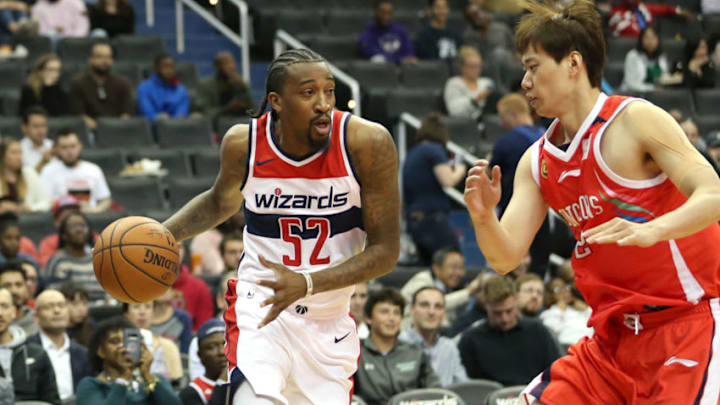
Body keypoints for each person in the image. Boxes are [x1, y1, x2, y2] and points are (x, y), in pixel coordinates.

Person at [462, 1, 720, 403]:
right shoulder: (538, 160)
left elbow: (713, 193)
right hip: (612, 339)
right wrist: (482, 217)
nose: (524, 82)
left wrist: (651, 229)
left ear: (573, 63)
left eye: (533, 67)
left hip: (689, 322)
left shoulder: (634, 120)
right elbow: (504, 257)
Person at [162, 48, 399, 405]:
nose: (323, 103)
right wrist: (161, 235)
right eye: (308, 93)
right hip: (261, 309)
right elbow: (218, 202)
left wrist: (306, 284)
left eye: (329, 91)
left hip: (328, 322)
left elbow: (386, 252)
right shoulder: (245, 143)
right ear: (276, 101)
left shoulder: (367, 143)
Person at [458, 275, 560, 386]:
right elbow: (469, 388)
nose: (504, 319)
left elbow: (556, 375)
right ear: (486, 306)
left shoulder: (538, 332)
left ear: (516, 301)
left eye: (509, 311)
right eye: (497, 313)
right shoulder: (471, 340)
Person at [353, 288, 440, 405]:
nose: (392, 318)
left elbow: (437, 392)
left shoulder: (415, 352)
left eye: (396, 313)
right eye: (384, 312)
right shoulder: (355, 353)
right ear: (368, 318)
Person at [402, 112, 465, 265]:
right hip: (432, 220)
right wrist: (460, 169)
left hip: (414, 221)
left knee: (430, 268)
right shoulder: (434, 150)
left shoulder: (412, 153)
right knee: (452, 260)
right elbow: (448, 180)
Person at [76, 316, 182, 405]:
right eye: (115, 341)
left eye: (128, 342)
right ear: (101, 351)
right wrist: (122, 379)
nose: (123, 346)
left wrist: (147, 375)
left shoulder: (155, 380)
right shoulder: (91, 385)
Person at [27, 289, 92, 401]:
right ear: (36, 317)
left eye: (61, 306)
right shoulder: (25, 350)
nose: (57, 311)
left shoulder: (83, 354)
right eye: (48, 307)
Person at [0, 287, 61, 404]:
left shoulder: (36, 353)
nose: (0, 313)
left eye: (4, 306)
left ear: (14, 312)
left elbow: (53, 401)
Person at [399, 286, 468, 387]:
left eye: (438, 306)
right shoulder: (398, 344)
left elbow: (464, 387)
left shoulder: (449, 347)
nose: (431, 312)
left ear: (444, 313)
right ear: (411, 310)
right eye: (424, 305)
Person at [490, 93, 545, 216]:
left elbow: (490, 173)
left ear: (512, 116)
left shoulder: (506, 142)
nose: (501, 123)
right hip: (543, 210)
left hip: (513, 209)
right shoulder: (547, 137)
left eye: (502, 117)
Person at [400, 247, 483, 327]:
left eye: (461, 268)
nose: (459, 273)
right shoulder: (422, 280)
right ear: (436, 268)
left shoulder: (452, 287)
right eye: (453, 267)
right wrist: (468, 292)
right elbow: (435, 304)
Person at [40, 129, 112, 213]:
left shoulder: (93, 169)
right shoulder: (49, 170)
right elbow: (44, 201)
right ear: (57, 149)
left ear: (80, 146)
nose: (69, 151)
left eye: (73, 146)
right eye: (64, 147)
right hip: (60, 216)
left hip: (91, 215)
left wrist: (96, 210)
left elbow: (105, 199)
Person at [69, 42, 134, 131]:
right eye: (100, 57)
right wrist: (102, 129)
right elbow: (80, 115)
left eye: (108, 57)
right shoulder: (78, 83)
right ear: (91, 59)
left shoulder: (123, 83)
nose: (105, 61)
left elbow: (126, 114)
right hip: (89, 131)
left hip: (118, 130)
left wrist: (116, 128)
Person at [43, 212, 104, 303]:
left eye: (83, 226)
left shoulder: (98, 258)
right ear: (63, 235)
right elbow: (51, 293)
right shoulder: (57, 261)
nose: (79, 230)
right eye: (73, 227)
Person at [123, 301, 183, 382]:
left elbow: (176, 380)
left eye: (147, 307)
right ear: (126, 313)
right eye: (136, 307)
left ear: (153, 312)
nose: (142, 312)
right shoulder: (118, 345)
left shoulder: (168, 346)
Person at [193, 51, 255, 125]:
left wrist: (245, 103)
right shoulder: (206, 86)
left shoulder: (240, 84)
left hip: (237, 124)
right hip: (215, 126)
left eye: (232, 62)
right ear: (217, 67)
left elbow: (254, 111)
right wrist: (227, 108)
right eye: (226, 63)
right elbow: (204, 113)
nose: (231, 66)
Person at [179, 318, 226, 405]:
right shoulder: (192, 392)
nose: (221, 352)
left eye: (226, 344)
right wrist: (222, 383)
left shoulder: (245, 383)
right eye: (212, 347)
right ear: (200, 355)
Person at [170, 243, 214, 331]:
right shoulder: (148, 283)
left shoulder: (200, 287)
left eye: (178, 246)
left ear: (185, 251)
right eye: (170, 246)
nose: (174, 251)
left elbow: (203, 328)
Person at [621, 26, 680, 92]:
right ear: (641, 40)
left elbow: (663, 77)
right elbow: (630, 83)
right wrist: (652, 89)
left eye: (653, 38)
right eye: (647, 38)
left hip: (656, 94)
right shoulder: (632, 56)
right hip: (634, 94)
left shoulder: (661, 56)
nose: (650, 41)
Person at [357, 0, 417, 65]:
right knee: (377, 59)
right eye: (382, 13)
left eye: (389, 13)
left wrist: (401, 59)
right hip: (381, 70)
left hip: (401, 69)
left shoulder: (400, 30)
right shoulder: (369, 31)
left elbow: (409, 53)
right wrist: (398, 59)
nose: (386, 16)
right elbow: (368, 50)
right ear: (375, 12)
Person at [444, 46, 495, 121]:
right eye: (472, 66)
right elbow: (454, 110)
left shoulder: (486, 82)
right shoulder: (453, 83)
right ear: (462, 67)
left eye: (478, 66)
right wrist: (476, 100)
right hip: (463, 125)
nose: (476, 70)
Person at [539, 277, 593, 347]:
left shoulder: (580, 309)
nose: (564, 291)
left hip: (589, 345)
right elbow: (552, 332)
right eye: (558, 290)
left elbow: (595, 324)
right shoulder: (549, 313)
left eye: (565, 287)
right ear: (551, 296)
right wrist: (559, 310)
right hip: (567, 347)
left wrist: (586, 309)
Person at [0, 137, 50, 212]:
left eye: (20, 153)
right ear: (3, 156)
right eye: (14, 153)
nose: (19, 157)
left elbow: (46, 203)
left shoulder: (29, 173)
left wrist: (30, 208)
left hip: (26, 219)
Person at [137, 54, 191, 121]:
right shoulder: (144, 88)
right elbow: (147, 112)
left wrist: (173, 122)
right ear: (157, 68)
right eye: (165, 66)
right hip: (153, 128)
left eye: (171, 67)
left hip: (176, 128)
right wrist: (158, 119)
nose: (169, 70)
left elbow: (181, 113)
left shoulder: (181, 90)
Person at [38, 195, 82, 267]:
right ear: (56, 220)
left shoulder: (95, 238)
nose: (70, 214)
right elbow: (47, 268)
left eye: (74, 211)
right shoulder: (48, 243)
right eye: (65, 212)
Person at [609, 0, 692, 38]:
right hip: (630, 47)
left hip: (647, 44)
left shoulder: (642, 7)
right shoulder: (617, 12)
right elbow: (620, 31)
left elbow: (663, 9)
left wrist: (678, 10)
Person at [150, 287, 193, 354]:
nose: (163, 290)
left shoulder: (182, 317)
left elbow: (185, 353)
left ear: (173, 292)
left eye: (167, 286)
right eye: (158, 286)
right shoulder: (142, 315)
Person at [0, 261, 37, 335]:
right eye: (7, 285)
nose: (14, 291)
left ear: (26, 288)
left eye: (19, 285)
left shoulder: (38, 323)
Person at [19, 106, 54, 173]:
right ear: (24, 127)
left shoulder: (53, 146)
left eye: (43, 126)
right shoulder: (19, 149)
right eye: (36, 126)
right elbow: (22, 180)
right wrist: (43, 162)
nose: (41, 131)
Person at [58, 282, 94, 347]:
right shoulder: (55, 328)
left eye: (84, 304)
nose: (82, 309)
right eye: (75, 304)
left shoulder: (92, 328)